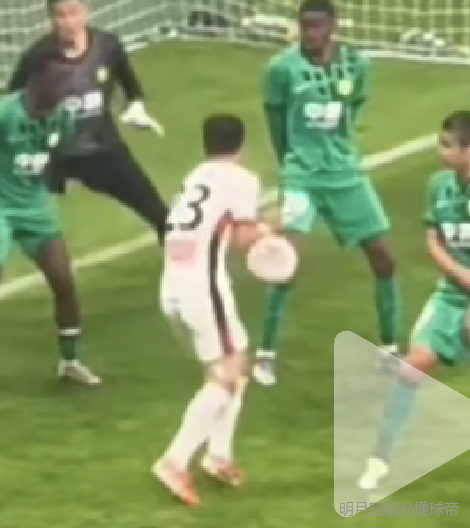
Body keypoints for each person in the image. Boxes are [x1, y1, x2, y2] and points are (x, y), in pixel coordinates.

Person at [253, 0, 401, 386]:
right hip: (302, 176)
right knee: (286, 264)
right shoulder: (281, 69)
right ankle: (265, 354)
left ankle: (390, 348)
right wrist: (290, 163)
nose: (310, 33)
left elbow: (353, 107)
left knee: (384, 257)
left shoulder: (357, 65)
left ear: (332, 26)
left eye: (317, 25)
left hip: (346, 174)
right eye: (304, 25)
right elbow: (275, 119)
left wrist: (339, 148)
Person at [154, 115, 269, 507]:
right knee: (226, 375)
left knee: (232, 365)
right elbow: (244, 240)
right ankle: (175, 461)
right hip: (204, 291)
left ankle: (219, 455)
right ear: (241, 145)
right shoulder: (241, 180)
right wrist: (274, 227)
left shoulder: (195, 178)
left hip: (171, 288)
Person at [359, 110, 470, 491]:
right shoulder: (439, 186)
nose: (440, 150)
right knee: (411, 371)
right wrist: (459, 274)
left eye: (448, 144)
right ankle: (380, 460)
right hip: (452, 295)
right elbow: (433, 240)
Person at [8, 0, 168, 242]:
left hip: (102, 149)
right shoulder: (37, 57)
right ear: (51, 19)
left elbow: (131, 86)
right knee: (15, 221)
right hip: (52, 155)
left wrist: (137, 107)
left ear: (86, 12)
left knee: (159, 213)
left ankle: (184, 263)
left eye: (74, 13)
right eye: (60, 16)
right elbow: (11, 103)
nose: (68, 22)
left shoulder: (108, 46)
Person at [0, 57, 100, 385]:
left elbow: (54, 155)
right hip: (1, 206)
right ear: (35, 82)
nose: (64, 90)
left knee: (63, 280)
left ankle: (70, 362)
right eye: (57, 83)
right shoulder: (5, 113)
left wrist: (56, 183)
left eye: (66, 84)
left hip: (35, 207)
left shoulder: (63, 117)